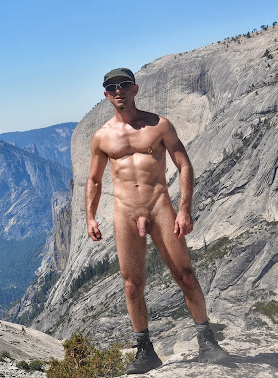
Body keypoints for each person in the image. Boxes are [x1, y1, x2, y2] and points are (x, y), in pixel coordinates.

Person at [85, 68, 230, 374]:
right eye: (112, 86)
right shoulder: (102, 137)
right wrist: (90, 217)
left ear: (135, 89)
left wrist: (185, 208)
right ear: (106, 94)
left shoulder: (159, 125)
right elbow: (94, 179)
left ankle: (207, 341)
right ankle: (145, 352)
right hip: (125, 213)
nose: (118, 90)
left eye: (124, 84)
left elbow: (183, 163)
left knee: (185, 275)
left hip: (160, 207)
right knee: (132, 285)